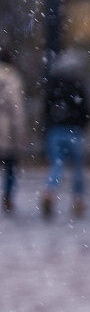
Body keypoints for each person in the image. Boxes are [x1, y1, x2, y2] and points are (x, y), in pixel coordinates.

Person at [41, 50, 90, 219]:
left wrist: (48, 125)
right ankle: (78, 200)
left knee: (57, 164)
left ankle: (50, 190)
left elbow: (46, 109)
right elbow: (87, 110)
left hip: (56, 129)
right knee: (78, 168)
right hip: (74, 130)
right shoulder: (79, 85)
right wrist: (83, 124)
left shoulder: (53, 85)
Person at [0, 49, 27, 214]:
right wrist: (20, 132)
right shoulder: (12, 78)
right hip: (6, 130)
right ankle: (8, 198)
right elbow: (17, 109)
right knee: (10, 166)